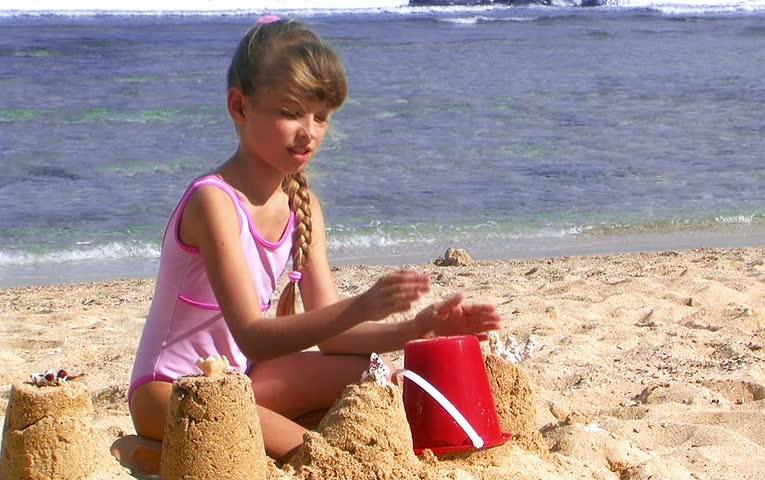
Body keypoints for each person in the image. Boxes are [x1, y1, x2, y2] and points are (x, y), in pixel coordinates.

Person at [117, 16, 501, 472]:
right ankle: (175, 451)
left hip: (238, 382)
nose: (309, 132)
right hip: (169, 392)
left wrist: (417, 329)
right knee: (322, 456)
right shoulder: (213, 201)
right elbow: (252, 336)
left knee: (377, 379)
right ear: (239, 107)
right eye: (290, 112)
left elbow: (336, 336)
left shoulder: (304, 205)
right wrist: (361, 305)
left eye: (320, 116)